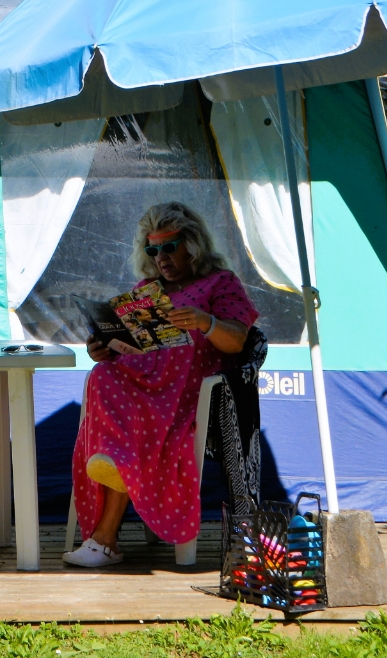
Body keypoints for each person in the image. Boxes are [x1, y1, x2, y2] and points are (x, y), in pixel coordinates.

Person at [63, 201, 258, 568]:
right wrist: (104, 348)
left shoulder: (221, 283)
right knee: (102, 374)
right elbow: (128, 350)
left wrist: (205, 323)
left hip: (190, 395)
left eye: (169, 247)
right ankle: (114, 470)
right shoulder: (146, 289)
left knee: (127, 431)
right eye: (152, 249)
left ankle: (105, 536)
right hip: (143, 385)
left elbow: (239, 341)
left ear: (193, 245)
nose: (161, 257)